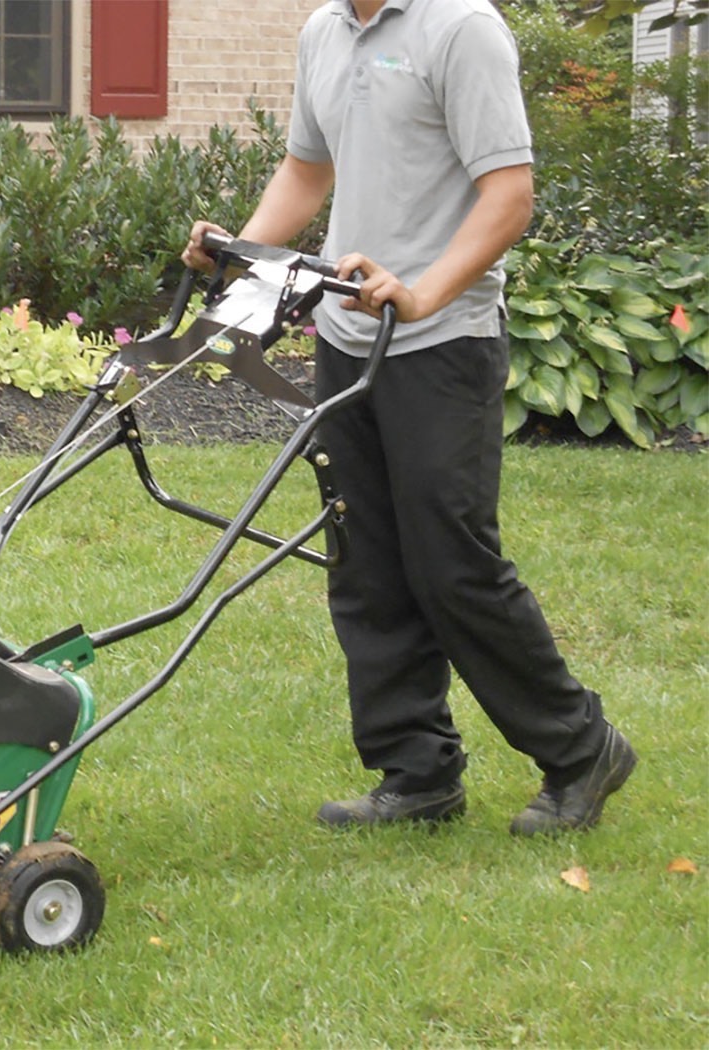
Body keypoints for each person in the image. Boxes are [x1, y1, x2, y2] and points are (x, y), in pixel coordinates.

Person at [183, 0, 635, 834]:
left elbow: (510, 194)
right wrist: (238, 251)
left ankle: (582, 748)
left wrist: (424, 294)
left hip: (442, 341)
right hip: (349, 335)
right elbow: (305, 170)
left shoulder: (461, 28)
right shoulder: (324, 31)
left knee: (451, 562)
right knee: (365, 560)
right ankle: (417, 769)